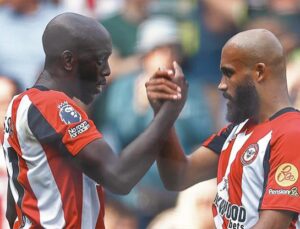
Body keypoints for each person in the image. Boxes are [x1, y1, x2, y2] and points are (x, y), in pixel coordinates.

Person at [2, 12, 187, 228]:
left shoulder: (19, 105)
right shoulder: (50, 105)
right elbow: (119, 176)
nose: (107, 71)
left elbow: (12, 209)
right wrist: (168, 113)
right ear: (69, 60)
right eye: (99, 60)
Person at [146, 29, 300, 228]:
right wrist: (163, 115)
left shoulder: (292, 133)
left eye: (229, 73)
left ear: (259, 72)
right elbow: (177, 176)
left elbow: (272, 225)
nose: (221, 85)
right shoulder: (238, 131)